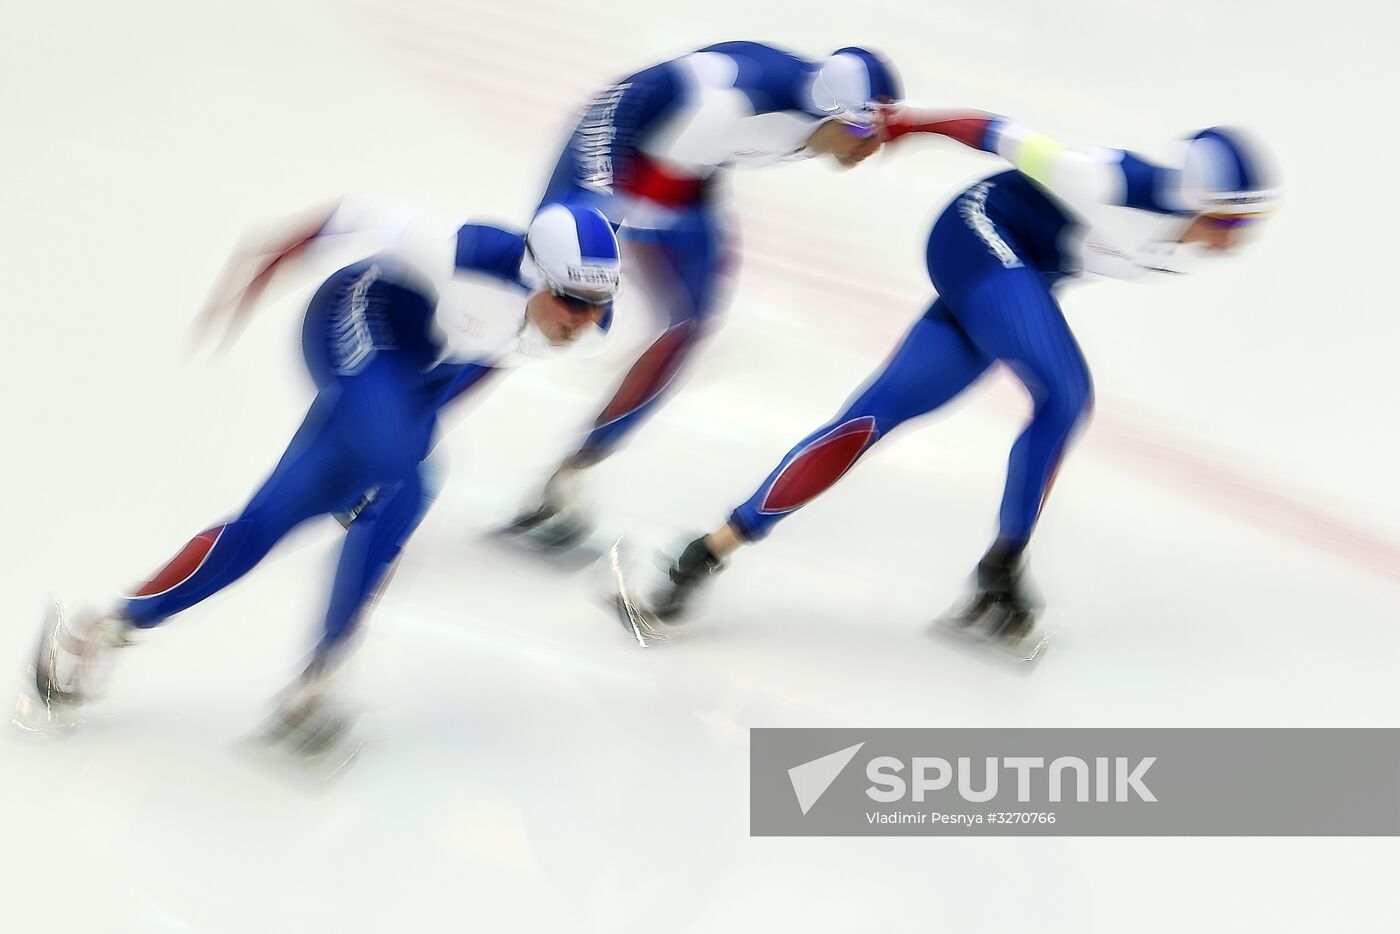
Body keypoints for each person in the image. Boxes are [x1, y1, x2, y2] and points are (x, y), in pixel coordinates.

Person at [629, 111, 1280, 651]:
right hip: (976, 234)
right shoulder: (1110, 182)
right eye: (1228, 222)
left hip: (1016, 275)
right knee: (1066, 395)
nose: (1234, 241)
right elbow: (991, 129)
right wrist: (905, 124)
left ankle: (708, 551)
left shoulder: (1189, 237)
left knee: (875, 416)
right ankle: (1001, 570)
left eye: (1247, 227)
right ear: (1197, 200)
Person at [28, 198, 621, 749]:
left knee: (268, 523)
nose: (583, 319)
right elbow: (350, 214)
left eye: (597, 306)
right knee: (409, 487)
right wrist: (259, 269)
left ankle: (98, 632)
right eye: (572, 300)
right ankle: (321, 675)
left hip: (415, 372)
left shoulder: (578, 322)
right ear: (535, 272)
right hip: (354, 323)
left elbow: (492, 359)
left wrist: (410, 431)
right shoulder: (459, 254)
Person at [504, 41, 902, 548]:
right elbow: (635, 131)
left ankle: (568, 474)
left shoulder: (827, 113)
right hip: (624, 148)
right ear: (831, 114)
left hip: (687, 165)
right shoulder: (738, 105)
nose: (871, 149)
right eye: (864, 133)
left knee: (688, 325)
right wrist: (592, 251)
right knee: (540, 292)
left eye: (880, 136)